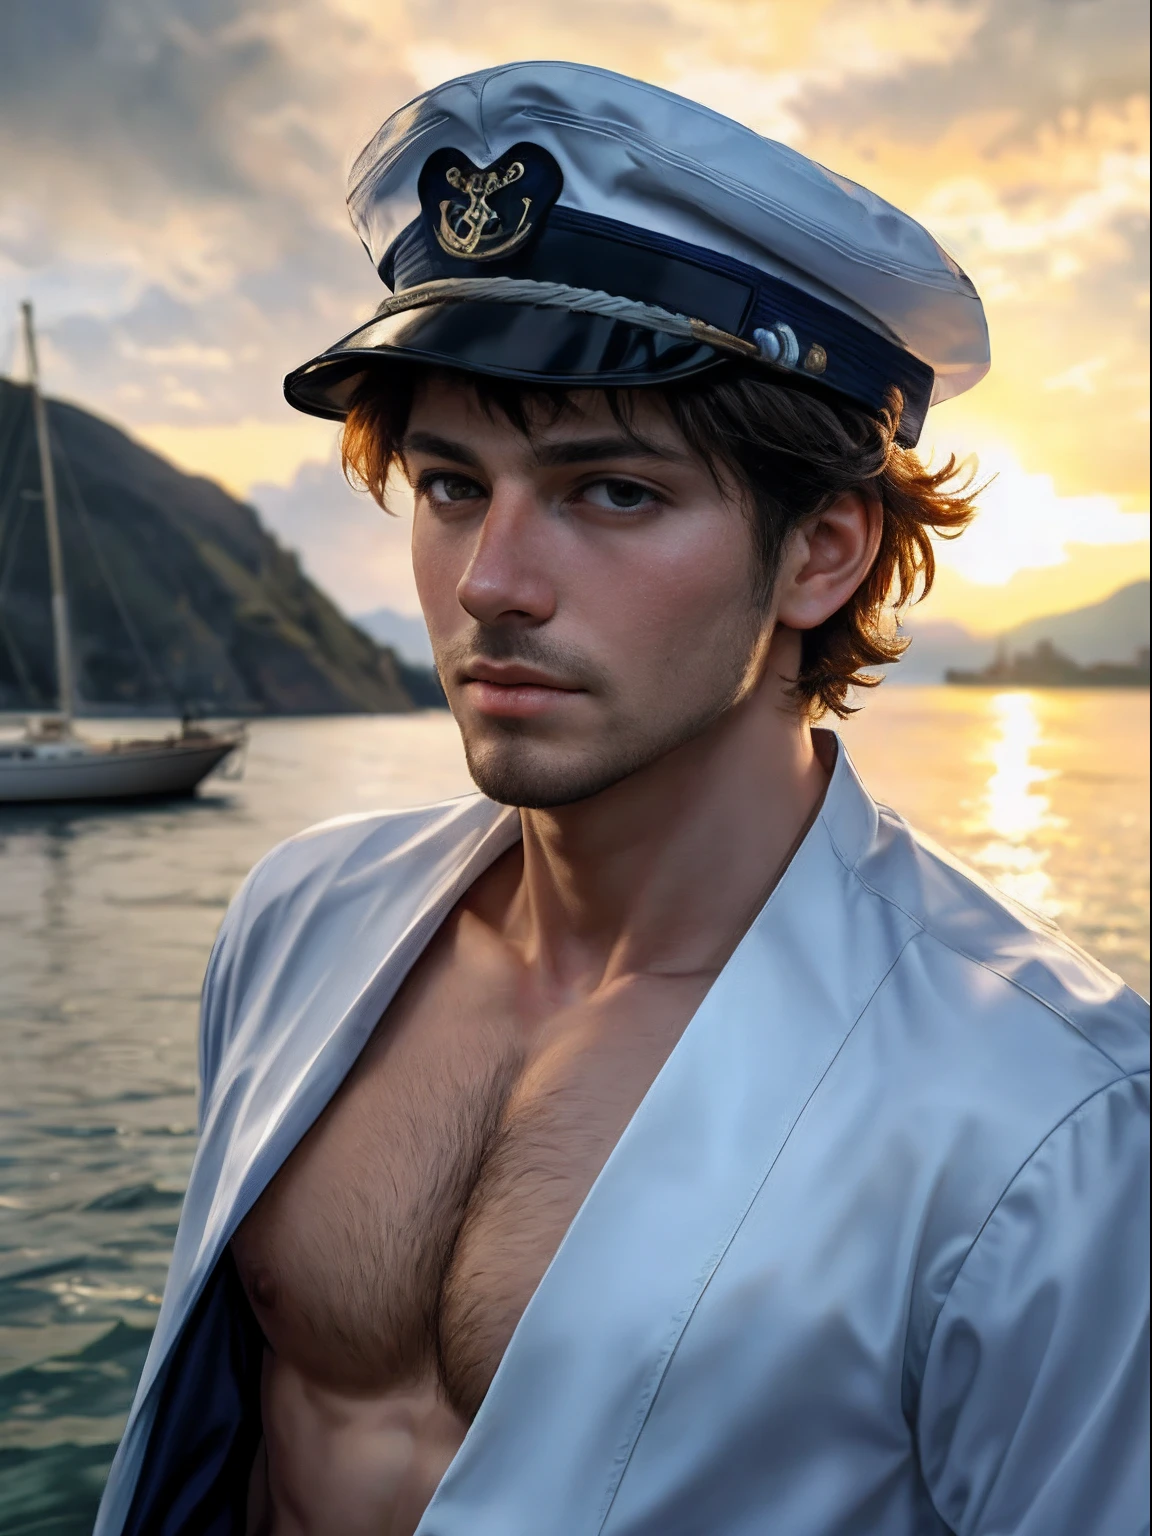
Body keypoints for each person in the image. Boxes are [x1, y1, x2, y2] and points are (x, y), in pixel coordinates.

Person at [96, 62, 1148, 1536]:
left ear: (823, 553)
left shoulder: (1053, 1129)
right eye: (453, 486)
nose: (489, 586)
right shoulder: (294, 922)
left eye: (613, 493)